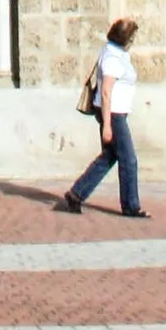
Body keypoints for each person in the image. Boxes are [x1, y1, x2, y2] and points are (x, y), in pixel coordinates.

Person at [56, 17, 144, 216]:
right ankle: (131, 205)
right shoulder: (112, 57)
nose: (133, 42)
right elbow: (106, 92)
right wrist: (107, 125)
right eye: (132, 38)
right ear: (125, 39)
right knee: (129, 160)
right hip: (113, 114)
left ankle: (76, 194)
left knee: (109, 156)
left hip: (115, 113)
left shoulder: (114, 52)